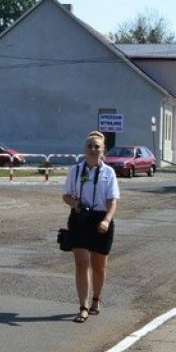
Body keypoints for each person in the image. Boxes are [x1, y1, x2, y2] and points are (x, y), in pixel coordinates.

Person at [62, 130, 120, 323]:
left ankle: (96, 299)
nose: (93, 149)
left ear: (103, 151)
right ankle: (83, 306)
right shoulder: (76, 171)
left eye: (97, 147)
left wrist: (106, 220)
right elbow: (66, 195)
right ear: (84, 150)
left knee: (99, 267)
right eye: (90, 146)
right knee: (81, 263)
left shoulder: (108, 173)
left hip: (101, 219)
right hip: (80, 218)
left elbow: (113, 201)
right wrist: (75, 204)